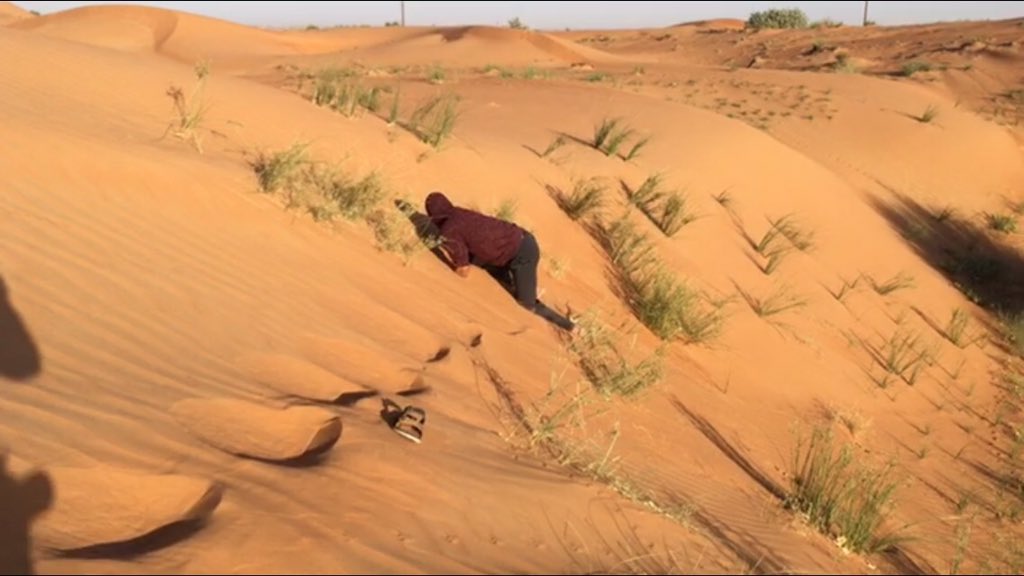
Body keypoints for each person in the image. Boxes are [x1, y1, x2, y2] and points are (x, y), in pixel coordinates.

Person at [424, 191, 575, 332]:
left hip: (521, 255)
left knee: (527, 305)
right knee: (488, 267)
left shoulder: (449, 229)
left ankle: (568, 326)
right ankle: (527, 287)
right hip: (523, 240)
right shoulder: (459, 212)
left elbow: (463, 271)